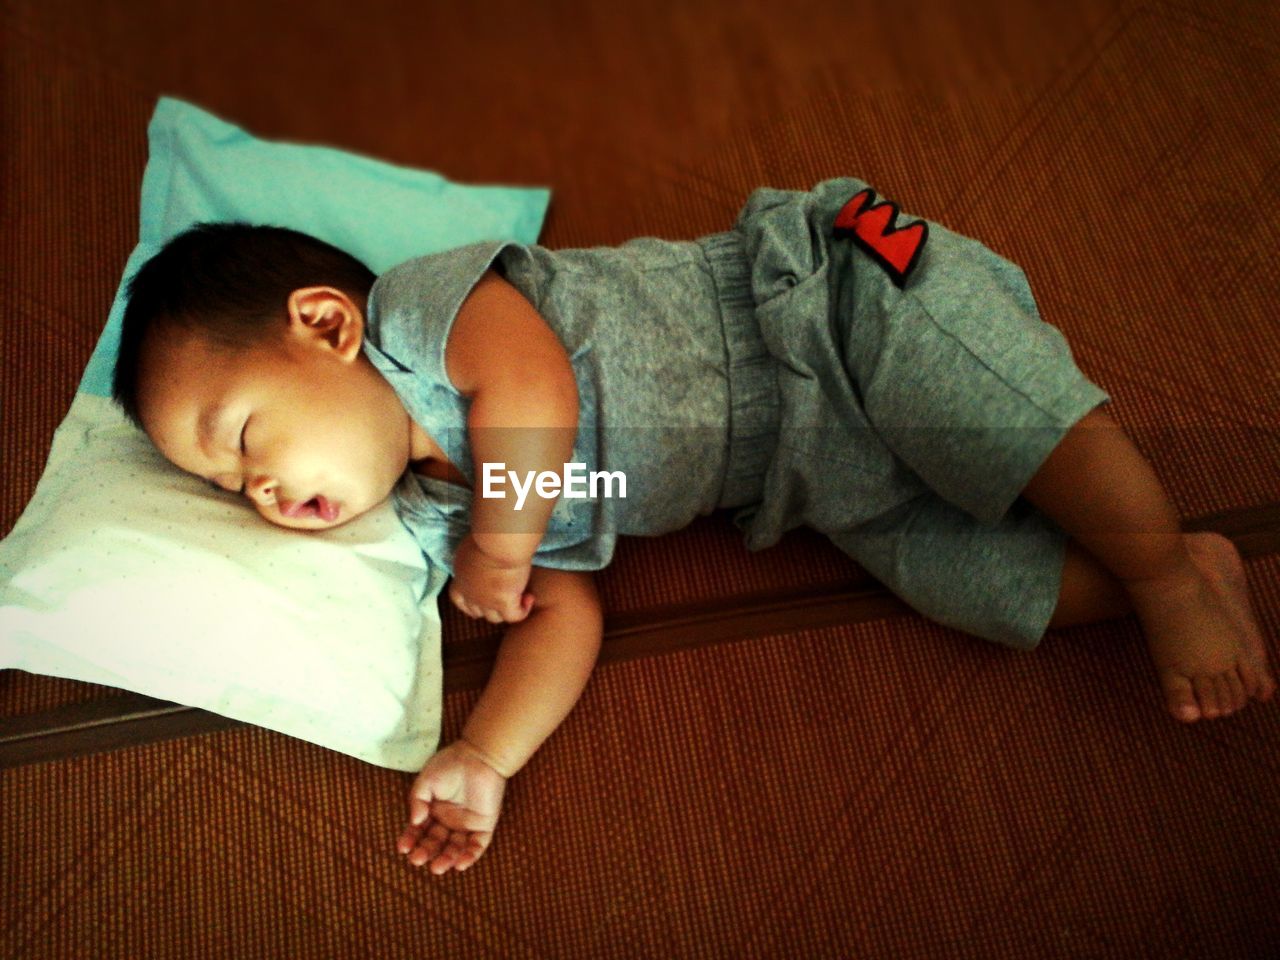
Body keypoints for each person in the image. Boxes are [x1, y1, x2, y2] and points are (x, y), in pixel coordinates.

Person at [111, 177, 1276, 877]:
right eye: (223, 490)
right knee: (971, 583)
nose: (253, 491)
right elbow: (563, 608)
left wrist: (502, 545)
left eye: (240, 436)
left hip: (828, 294)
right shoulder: (436, 517)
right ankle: (1172, 562)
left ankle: (1162, 572)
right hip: (803, 477)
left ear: (323, 326)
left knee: (990, 409)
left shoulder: (425, 314)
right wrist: (484, 754)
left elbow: (533, 394)